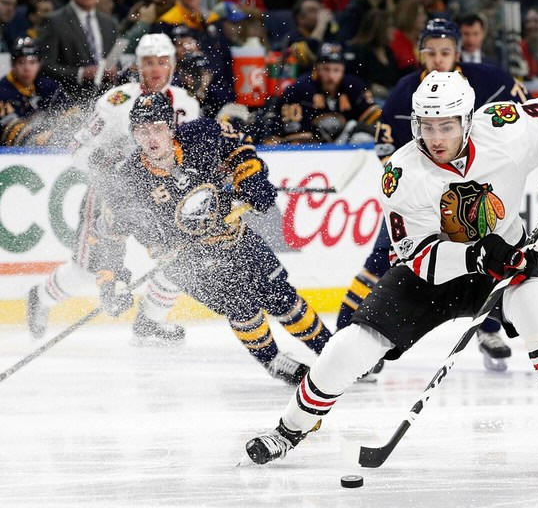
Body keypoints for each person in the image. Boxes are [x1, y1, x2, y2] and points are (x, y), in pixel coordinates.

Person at [245, 70, 538, 475]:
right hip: (433, 272)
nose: (436, 138)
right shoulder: (401, 173)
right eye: (427, 126)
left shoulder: (503, 127)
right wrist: (476, 255)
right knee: (351, 346)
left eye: (446, 126)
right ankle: (289, 429)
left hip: (506, 260)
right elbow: (417, 255)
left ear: (468, 120)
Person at [90, 92, 333, 384]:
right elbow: (108, 238)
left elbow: (238, 143)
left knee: (281, 297)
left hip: (234, 236)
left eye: (157, 128)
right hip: (187, 262)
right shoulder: (129, 182)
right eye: (142, 131)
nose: (151, 138)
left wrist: (250, 177)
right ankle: (273, 360)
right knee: (241, 305)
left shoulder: (200, 135)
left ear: (171, 126)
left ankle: (333, 351)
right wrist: (110, 283)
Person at [336, 19, 528, 372]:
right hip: (420, 200)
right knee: (382, 259)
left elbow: (524, 117)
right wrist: (415, 183)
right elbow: (385, 146)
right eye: (431, 52)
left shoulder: (487, 79)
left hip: (472, 200)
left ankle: (487, 330)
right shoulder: (406, 90)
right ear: (421, 53)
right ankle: (346, 336)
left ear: (458, 52)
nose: (438, 59)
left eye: (445, 52)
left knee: (486, 260)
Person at [27, 33, 200, 346]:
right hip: (110, 196)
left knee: (182, 257)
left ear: (173, 65)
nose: (156, 69)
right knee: (86, 272)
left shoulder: (186, 103)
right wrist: (100, 165)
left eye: (163, 61)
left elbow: (192, 153)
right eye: (149, 62)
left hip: (162, 194)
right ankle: (41, 296)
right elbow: (77, 147)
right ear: (137, 65)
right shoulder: (115, 102)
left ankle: (150, 322)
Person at [263, 42, 381, 144]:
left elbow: (376, 122)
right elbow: (293, 138)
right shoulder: (300, 89)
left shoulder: (354, 86)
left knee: (362, 137)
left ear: (343, 70)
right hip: (311, 148)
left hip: (344, 144)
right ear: (317, 69)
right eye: (326, 69)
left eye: (336, 70)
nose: (331, 76)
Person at [37, 0, 118, 102]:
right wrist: (80, 73)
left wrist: (113, 69)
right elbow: (46, 65)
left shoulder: (109, 22)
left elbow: (115, 58)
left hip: (106, 97)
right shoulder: (54, 21)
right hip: (69, 98)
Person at [0, 37, 70, 146]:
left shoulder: (47, 85)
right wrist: (43, 136)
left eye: (32, 62)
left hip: (47, 141)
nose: (27, 68)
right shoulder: (2, 91)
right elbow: (9, 130)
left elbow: (71, 111)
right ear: (13, 64)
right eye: (21, 62)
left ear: (39, 65)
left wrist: (61, 127)